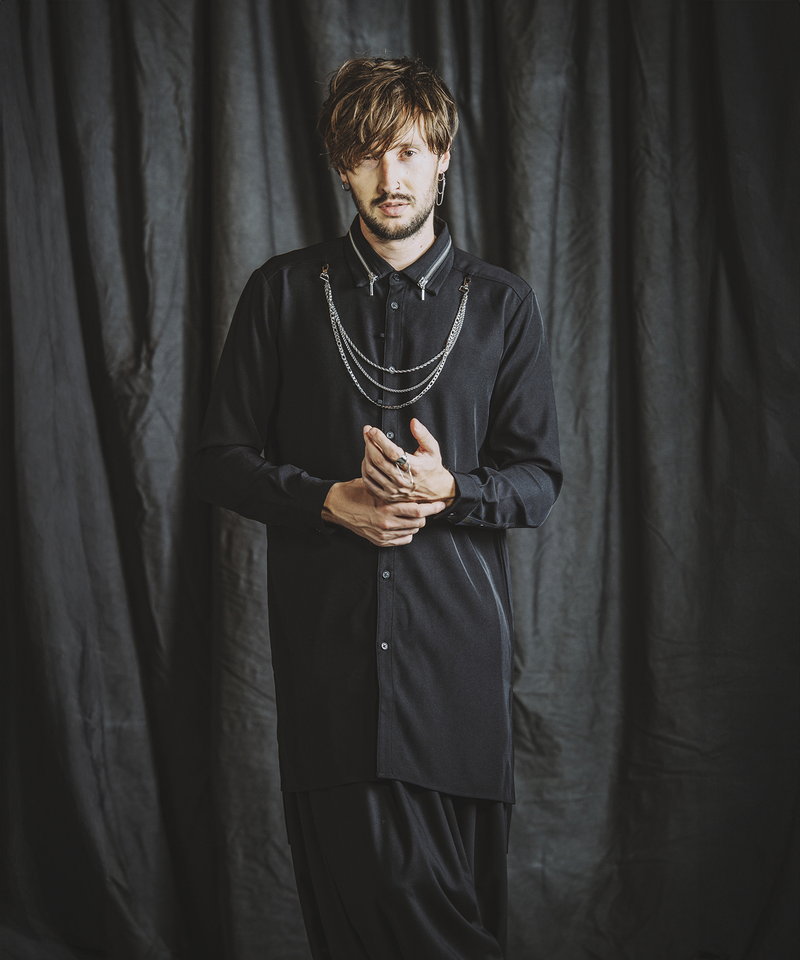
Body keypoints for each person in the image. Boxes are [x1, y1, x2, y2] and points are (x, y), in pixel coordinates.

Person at [194, 56, 562, 960]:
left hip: (458, 676)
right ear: (340, 165)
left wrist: (454, 490)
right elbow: (220, 462)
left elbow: (539, 478)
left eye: (406, 151)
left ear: (442, 157)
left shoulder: (502, 305)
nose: (388, 176)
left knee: (453, 918)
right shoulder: (283, 292)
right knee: (358, 927)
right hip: (331, 674)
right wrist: (328, 501)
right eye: (366, 154)